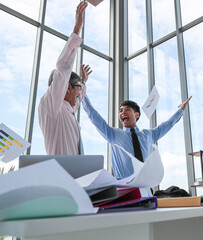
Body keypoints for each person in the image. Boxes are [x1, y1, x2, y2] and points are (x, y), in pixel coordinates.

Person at [82, 92, 192, 180]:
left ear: (137, 114)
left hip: (146, 185)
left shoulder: (149, 135)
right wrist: (83, 92)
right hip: (124, 187)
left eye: (127, 110)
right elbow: (93, 115)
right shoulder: (113, 134)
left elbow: (168, 124)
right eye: (120, 111)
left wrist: (181, 110)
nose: (122, 112)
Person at [38, 1, 92, 155]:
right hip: (60, 176)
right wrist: (77, 29)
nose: (79, 93)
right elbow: (63, 69)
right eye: (77, 89)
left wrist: (82, 82)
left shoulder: (68, 109)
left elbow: (78, 98)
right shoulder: (51, 107)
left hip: (76, 176)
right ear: (67, 87)